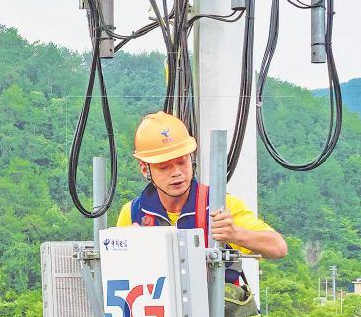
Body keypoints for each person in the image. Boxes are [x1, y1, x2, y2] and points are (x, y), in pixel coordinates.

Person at [116, 111, 287, 261]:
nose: (176, 172)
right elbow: (117, 272)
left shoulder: (218, 206)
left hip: (213, 298)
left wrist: (235, 234)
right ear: (145, 169)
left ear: (191, 158)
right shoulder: (133, 213)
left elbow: (278, 247)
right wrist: (126, 245)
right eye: (164, 166)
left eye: (182, 162)